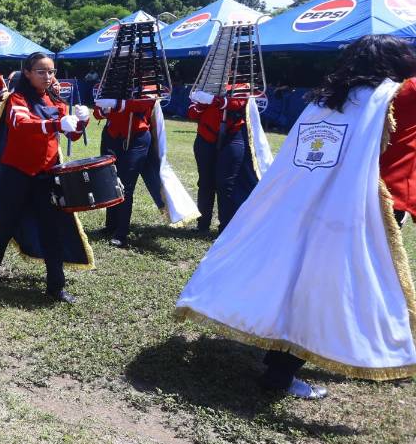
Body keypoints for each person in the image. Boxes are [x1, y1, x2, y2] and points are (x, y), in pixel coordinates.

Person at [176, 35, 416, 399]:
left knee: (309, 281)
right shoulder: (400, 95)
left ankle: (289, 360)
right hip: (363, 209)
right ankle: (282, 371)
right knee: (331, 288)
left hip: (317, 205)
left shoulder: (329, 100)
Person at [0, 53, 91, 302]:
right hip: (17, 174)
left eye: (51, 72)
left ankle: (56, 287)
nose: (47, 76)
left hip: (46, 175)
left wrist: (81, 122)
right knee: (7, 224)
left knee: (52, 229)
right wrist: (55, 124)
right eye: (41, 71)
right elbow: (21, 124)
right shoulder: (16, 98)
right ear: (28, 73)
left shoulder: (56, 100)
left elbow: (72, 135)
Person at [187, 85, 263, 233]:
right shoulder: (205, 84)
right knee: (205, 182)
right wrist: (203, 102)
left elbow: (236, 103)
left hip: (232, 136)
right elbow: (192, 112)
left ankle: (225, 229)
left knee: (226, 183)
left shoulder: (242, 84)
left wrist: (212, 100)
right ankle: (202, 225)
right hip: (205, 136)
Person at [91, 95, 158, 248]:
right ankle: (110, 226)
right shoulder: (112, 83)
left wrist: (117, 103)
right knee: (110, 180)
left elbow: (143, 104)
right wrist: (104, 109)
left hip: (136, 137)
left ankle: (121, 232)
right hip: (111, 136)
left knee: (125, 186)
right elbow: (97, 113)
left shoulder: (146, 83)